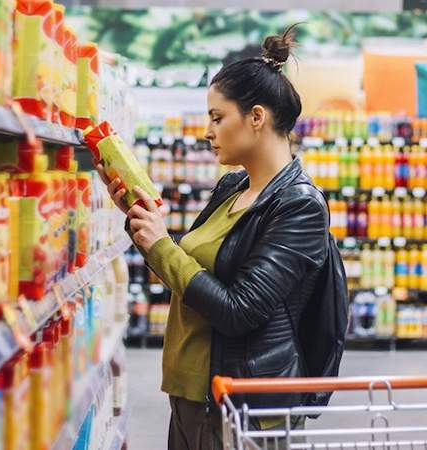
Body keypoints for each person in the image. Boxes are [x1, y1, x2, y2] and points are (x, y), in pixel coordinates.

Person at [98, 25, 340, 450]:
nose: (207, 131)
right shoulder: (232, 188)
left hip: (240, 407)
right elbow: (186, 272)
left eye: (217, 117)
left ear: (257, 117)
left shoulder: (299, 206)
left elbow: (239, 309)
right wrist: (140, 220)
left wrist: (160, 245)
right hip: (192, 396)